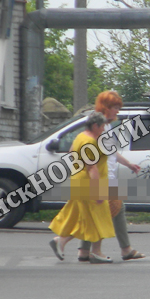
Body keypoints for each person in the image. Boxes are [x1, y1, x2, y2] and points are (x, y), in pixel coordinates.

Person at [76, 91, 144, 262]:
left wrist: (128, 164)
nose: (117, 111)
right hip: (101, 176)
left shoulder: (106, 125)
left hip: (106, 175)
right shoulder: (99, 126)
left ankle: (84, 251)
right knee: (114, 209)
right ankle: (124, 250)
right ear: (106, 107)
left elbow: (111, 153)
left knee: (96, 212)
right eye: (115, 107)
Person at [48, 111, 115, 264]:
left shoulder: (81, 137)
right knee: (100, 217)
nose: (104, 129)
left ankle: (61, 242)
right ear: (95, 125)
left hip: (79, 180)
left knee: (80, 218)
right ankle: (96, 252)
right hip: (90, 183)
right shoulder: (89, 142)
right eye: (103, 126)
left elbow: (72, 152)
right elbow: (92, 168)